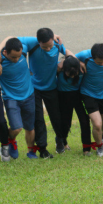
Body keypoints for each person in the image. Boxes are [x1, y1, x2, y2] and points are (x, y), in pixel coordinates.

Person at [18, 28, 75, 158]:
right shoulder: (32, 43)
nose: (49, 49)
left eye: (50, 46)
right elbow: (12, 39)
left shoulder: (57, 43)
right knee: (39, 119)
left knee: (57, 116)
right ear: (38, 42)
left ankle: (61, 140)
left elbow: (67, 52)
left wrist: (65, 61)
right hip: (35, 88)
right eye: (45, 47)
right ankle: (42, 149)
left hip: (51, 87)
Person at [0, 37, 38, 160]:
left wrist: (53, 35)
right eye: (13, 57)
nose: (16, 59)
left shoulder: (22, 51)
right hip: (10, 98)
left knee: (30, 127)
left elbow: (10, 37)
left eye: (18, 56)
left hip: (29, 96)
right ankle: (10, 140)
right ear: (5, 52)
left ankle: (30, 151)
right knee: (17, 127)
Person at [76, 43, 103, 157]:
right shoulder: (85, 55)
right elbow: (69, 57)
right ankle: (99, 146)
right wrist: (79, 63)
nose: (102, 64)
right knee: (97, 123)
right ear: (92, 57)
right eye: (98, 62)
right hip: (88, 93)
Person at [56, 56, 93, 156]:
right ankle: (63, 142)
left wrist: (81, 64)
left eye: (75, 74)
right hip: (63, 96)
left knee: (85, 121)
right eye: (69, 74)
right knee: (66, 122)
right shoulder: (59, 69)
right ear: (64, 69)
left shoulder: (81, 69)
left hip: (77, 95)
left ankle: (86, 148)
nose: (72, 76)